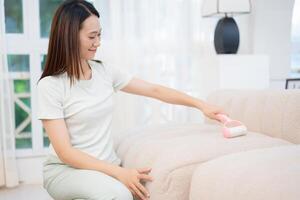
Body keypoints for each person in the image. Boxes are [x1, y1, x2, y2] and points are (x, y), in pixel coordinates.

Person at [37, 0, 224, 200]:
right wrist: (118, 172)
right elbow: (65, 152)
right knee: (120, 195)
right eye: (92, 36)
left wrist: (201, 104)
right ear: (69, 37)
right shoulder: (51, 85)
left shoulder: (104, 71)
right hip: (66, 171)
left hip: (103, 167)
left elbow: (154, 90)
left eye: (99, 34)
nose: (98, 42)